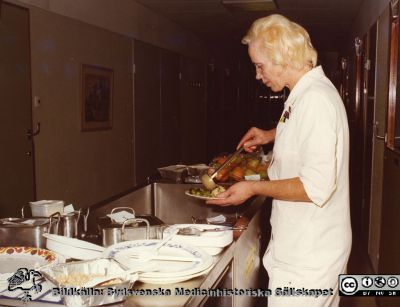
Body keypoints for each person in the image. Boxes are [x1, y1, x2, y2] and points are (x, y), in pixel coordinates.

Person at [207, 14, 352, 307]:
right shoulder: (303, 95)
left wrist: (254, 188)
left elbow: (315, 188)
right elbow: (305, 133)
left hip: (308, 257)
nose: (258, 75)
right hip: (300, 248)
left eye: (260, 66)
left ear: (283, 56)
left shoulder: (315, 101)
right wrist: (270, 134)